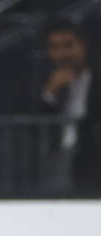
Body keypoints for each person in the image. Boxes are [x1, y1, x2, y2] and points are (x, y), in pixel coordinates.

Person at [40, 17, 101, 193]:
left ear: (83, 45)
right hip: (56, 158)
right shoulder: (43, 81)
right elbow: (35, 126)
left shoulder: (96, 78)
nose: (62, 54)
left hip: (92, 157)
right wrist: (50, 93)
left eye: (68, 45)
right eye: (54, 47)